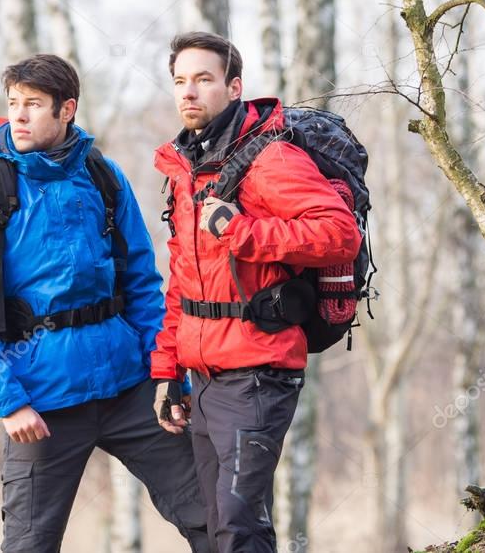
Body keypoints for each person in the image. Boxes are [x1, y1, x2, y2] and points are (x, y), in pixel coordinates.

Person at [0, 53, 210, 552]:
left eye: (34, 105)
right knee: (28, 546)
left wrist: (167, 373)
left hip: (130, 385)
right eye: (13, 104)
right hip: (41, 401)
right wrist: (8, 401)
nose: (18, 116)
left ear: (67, 110)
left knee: (211, 520)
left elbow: (143, 285)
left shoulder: (103, 177)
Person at [151, 33, 362, 553]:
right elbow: (183, 279)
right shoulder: (187, 166)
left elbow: (338, 233)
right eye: (181, 81)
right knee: (217, 524)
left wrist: (243, 232)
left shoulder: (269, 159)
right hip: (203, 377)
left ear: (234, 86)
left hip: (259, 375)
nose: (189, 93)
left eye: (203, 80)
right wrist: (167, 371)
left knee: (237, 529)